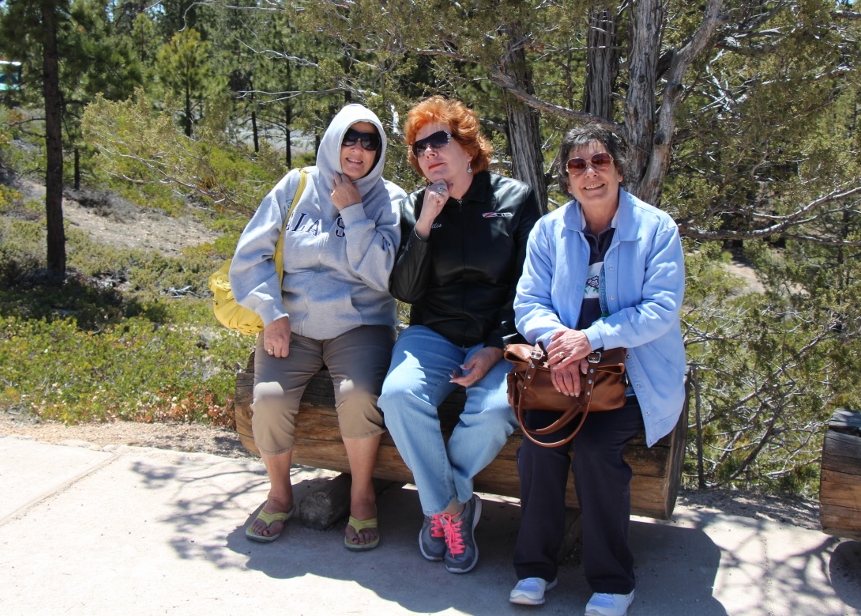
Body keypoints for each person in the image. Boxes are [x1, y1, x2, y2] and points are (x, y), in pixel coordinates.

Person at [508, 125, 686, 615]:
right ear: (567, 179)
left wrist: (592, 339)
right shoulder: (549, 231)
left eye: (600, 161)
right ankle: (534, 569)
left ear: (620, 169)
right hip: (564, 374)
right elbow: (529, 305)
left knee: (592, 449)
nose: (590, 173)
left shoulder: (657, 229)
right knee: (539, 447)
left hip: (633, 379)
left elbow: (660, 309)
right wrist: (559, 345)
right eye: (577, 165)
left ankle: (612, 580)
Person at [229, 104, 405, 550]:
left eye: (370, 141)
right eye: (351, 137)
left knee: (359, 396)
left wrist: (354, 213)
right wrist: (272, 313)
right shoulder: (296, 185)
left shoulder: (391, 199)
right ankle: (279, 493)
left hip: (361, 324)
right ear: (334, 139)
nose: (359, 149)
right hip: (291, 324)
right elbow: (252, 255)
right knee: (266, 400)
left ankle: (363, 495)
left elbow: (388, 276)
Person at [378, 95, 541, 574]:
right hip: (434, 333)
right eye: (418, 147)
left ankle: (442, 502)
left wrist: (496, 347)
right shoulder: (414, 206)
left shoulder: (515, 199)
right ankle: (451, 509)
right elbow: (405, 291)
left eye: (438, 140)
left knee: (494, 410)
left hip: (500, 336)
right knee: (399, 396)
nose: (428, 152)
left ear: (467, 148)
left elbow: (528, 284)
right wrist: (425, 224)